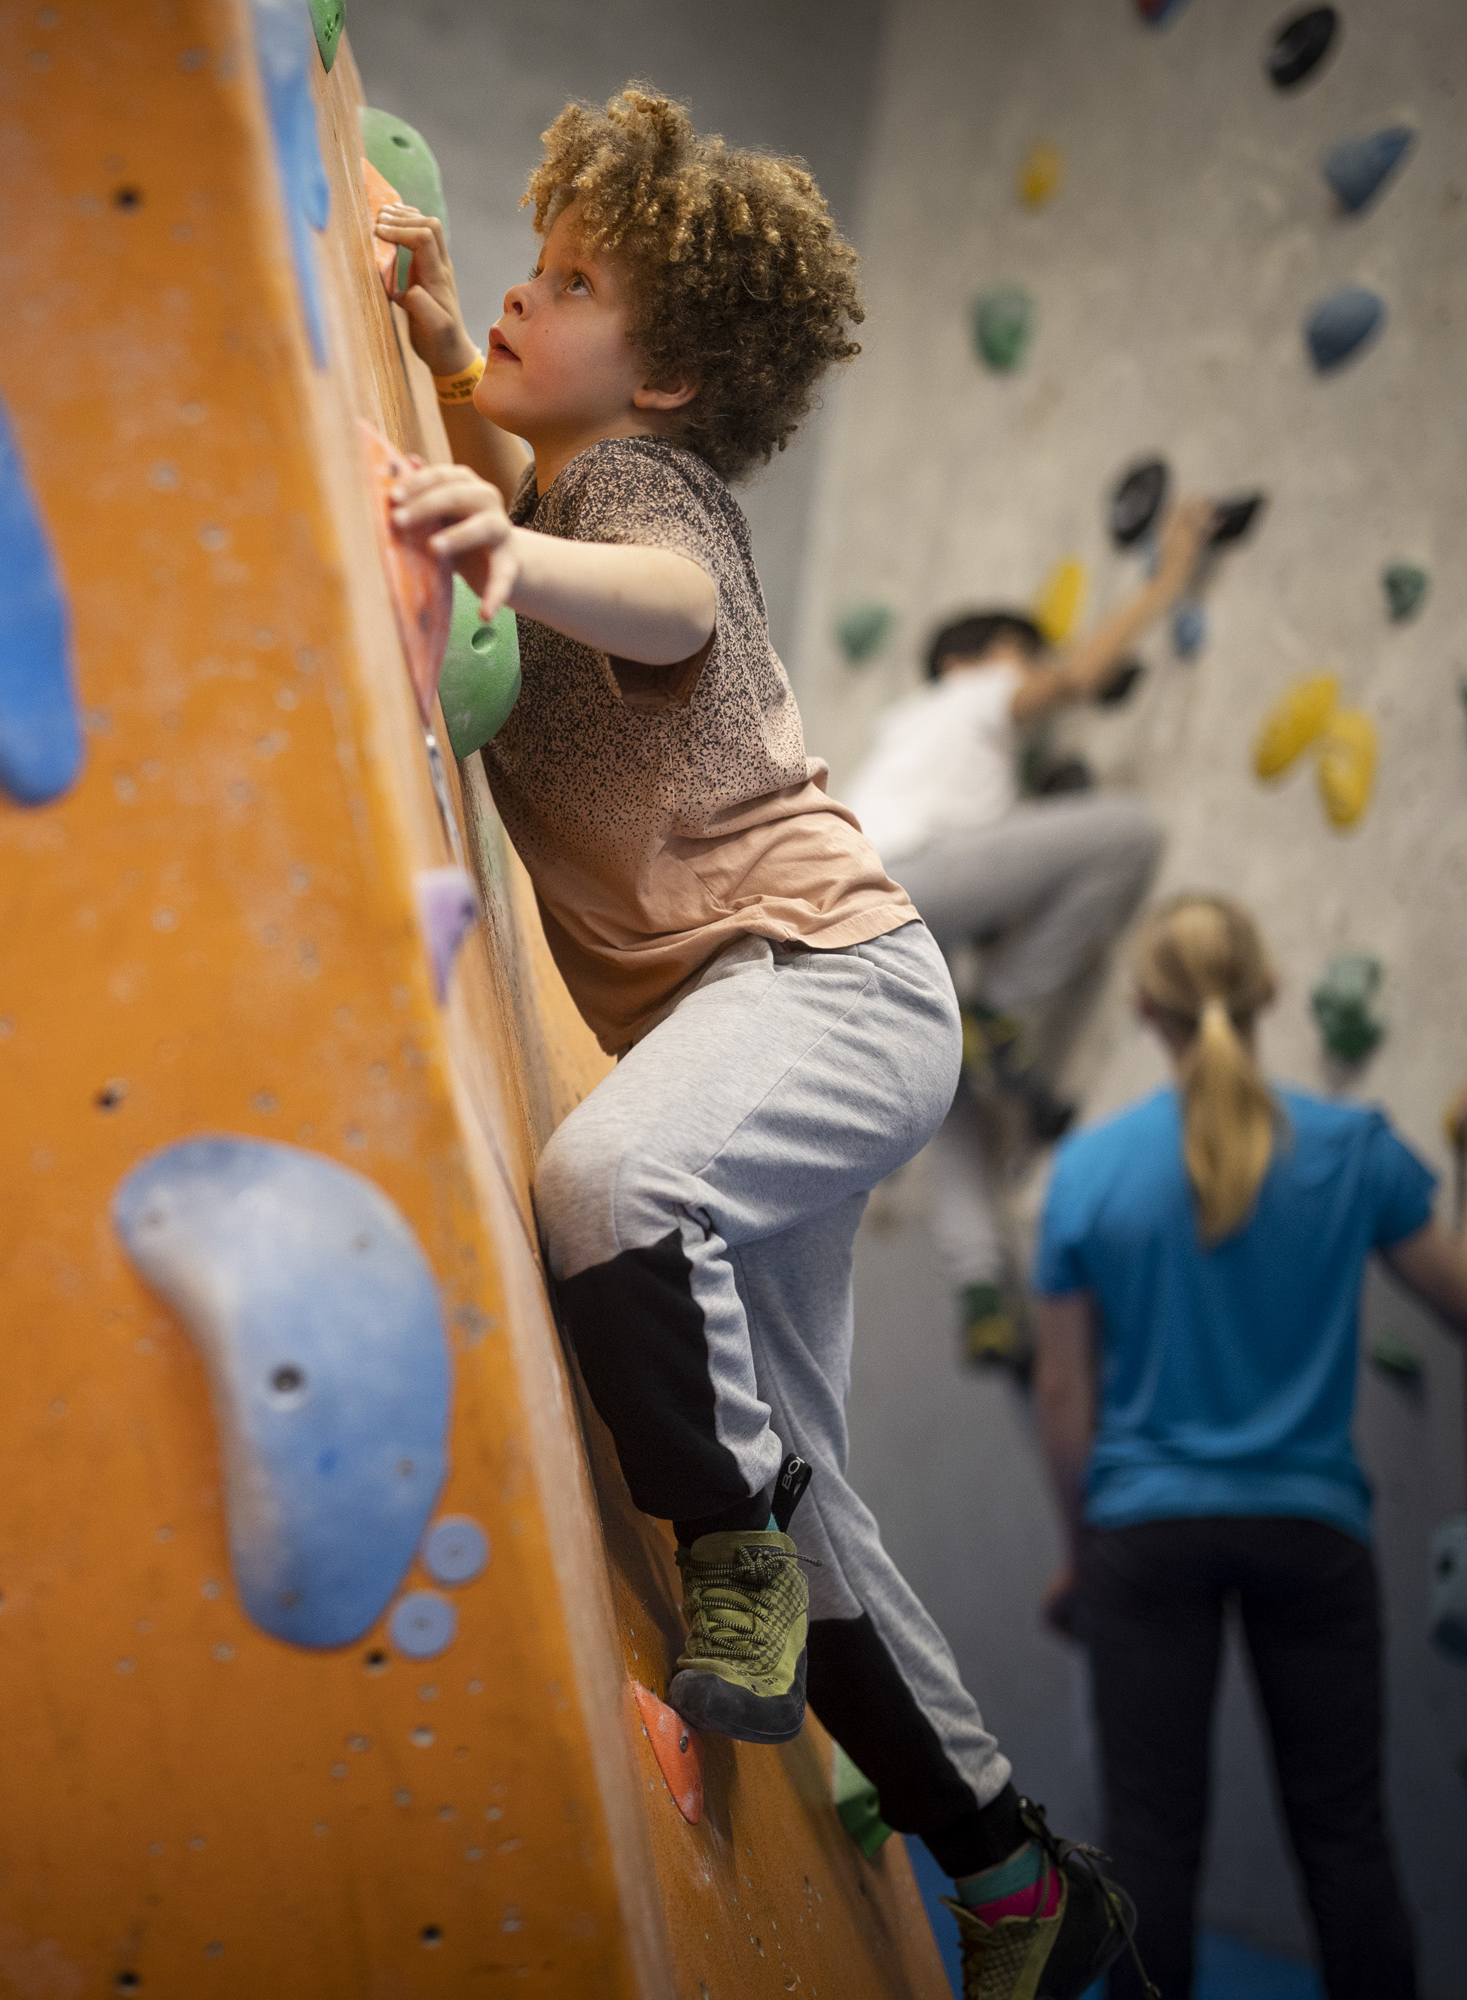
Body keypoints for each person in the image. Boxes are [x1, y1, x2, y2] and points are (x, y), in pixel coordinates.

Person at [371, 86, 1140, 1999]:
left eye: (571, 286)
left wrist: (510, 552)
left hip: (828, 979)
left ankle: (739, 1560)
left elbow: (661, 597)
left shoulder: (640, 505)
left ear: (666, 386)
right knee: (794, 1469)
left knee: (608, 1190)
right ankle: (1019, 1877)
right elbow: (508, 451)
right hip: (755, 1013)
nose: (528, 306)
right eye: (534, 274)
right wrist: (448, 319)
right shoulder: (559, 477)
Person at [1032, 894, 1467, 1999]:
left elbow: (1064, 1390)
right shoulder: (1355, 1150)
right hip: (1313, 1529)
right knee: (1346, 1841)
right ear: (1268, 991)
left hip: (1143, 1537)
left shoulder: (1087, 1171)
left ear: (1143, 1003)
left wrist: (1082, 1553)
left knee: (1151, 1851)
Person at [844, 513, 1215, 1368]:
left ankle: (979, 1287)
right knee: (1127, 833)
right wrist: (1173, 572)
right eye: (1023, 652)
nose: (1033, 674)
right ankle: (1001, 1011)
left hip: (860, 937)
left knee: (951, 1097)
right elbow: (1083, 673)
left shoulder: (906, 743)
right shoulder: (969, 697)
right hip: (907, 888)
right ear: (968, 660)